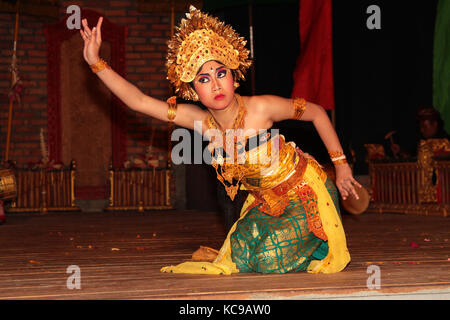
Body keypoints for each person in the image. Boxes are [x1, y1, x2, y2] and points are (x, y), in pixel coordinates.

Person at [80, 6, 361, 274]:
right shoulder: (199, 121)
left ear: (233, 76)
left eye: (221, 73)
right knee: (239, 255)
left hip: (304, 194)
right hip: (265, 201)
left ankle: (315, 243)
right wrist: (95, 62)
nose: (215, 85)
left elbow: (317, 113)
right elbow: (139, 101)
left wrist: (342, 166)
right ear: (192, 90)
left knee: (267, 260)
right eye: (203, 79)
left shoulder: (261, 108)